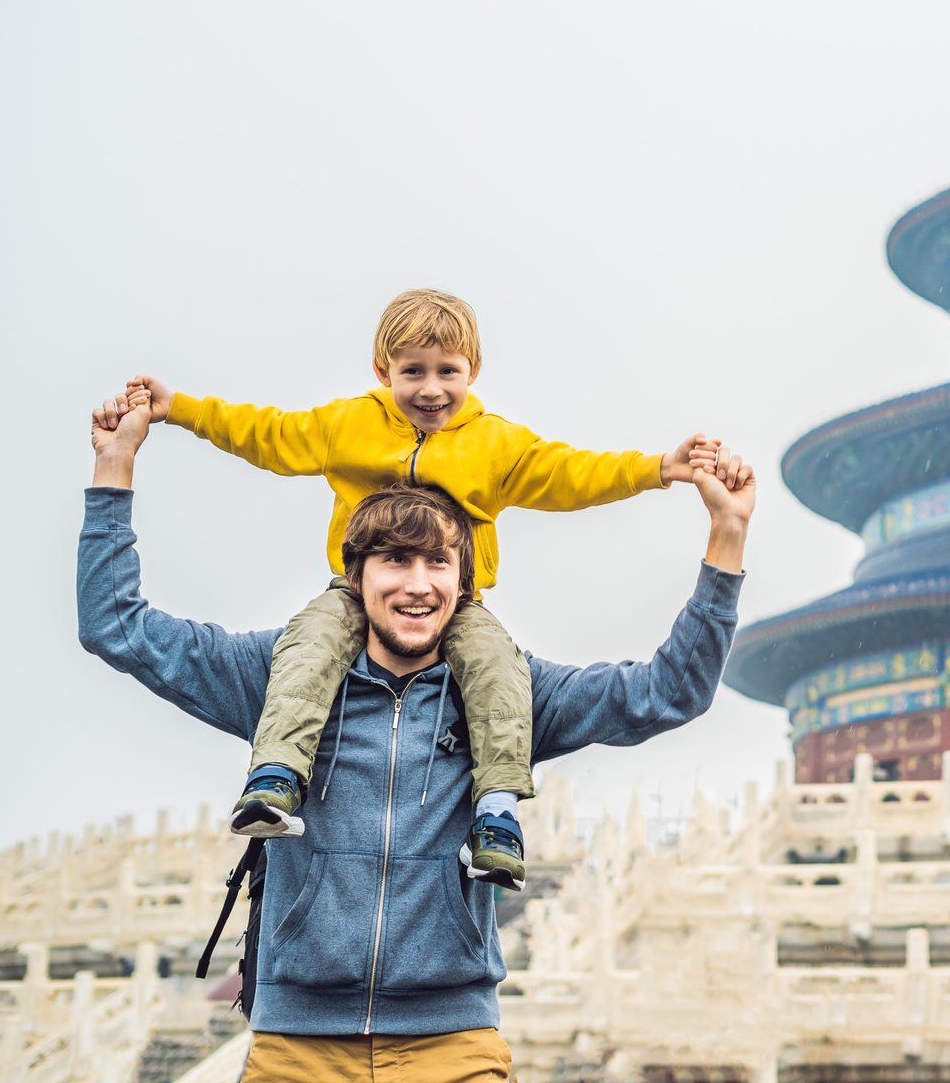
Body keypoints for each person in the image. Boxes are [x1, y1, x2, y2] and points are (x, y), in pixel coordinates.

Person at [80, 395, 752, 1080]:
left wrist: (726, 537)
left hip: (453, 1044)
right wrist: (114, 466)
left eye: (438, 563)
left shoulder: (507, 695)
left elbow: (668, 693)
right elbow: (116, 625)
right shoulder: (279, 676)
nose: (418, 585)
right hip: (297, 1046)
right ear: (356, 575)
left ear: (464, 582)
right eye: (395, 561)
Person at [122, 287, 723, 891]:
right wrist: (182, 409)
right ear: (382, 371)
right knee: (308, 647)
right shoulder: (347, 425)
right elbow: (266, 434)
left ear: (473, 371)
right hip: (354, 593)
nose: (431, 389)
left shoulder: (495, 444)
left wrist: (658, 469)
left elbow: (572, 473)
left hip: (457, 604)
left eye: (447, 372)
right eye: (413, 372)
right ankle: (276, 774)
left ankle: (497, 812)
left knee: (497, 670)